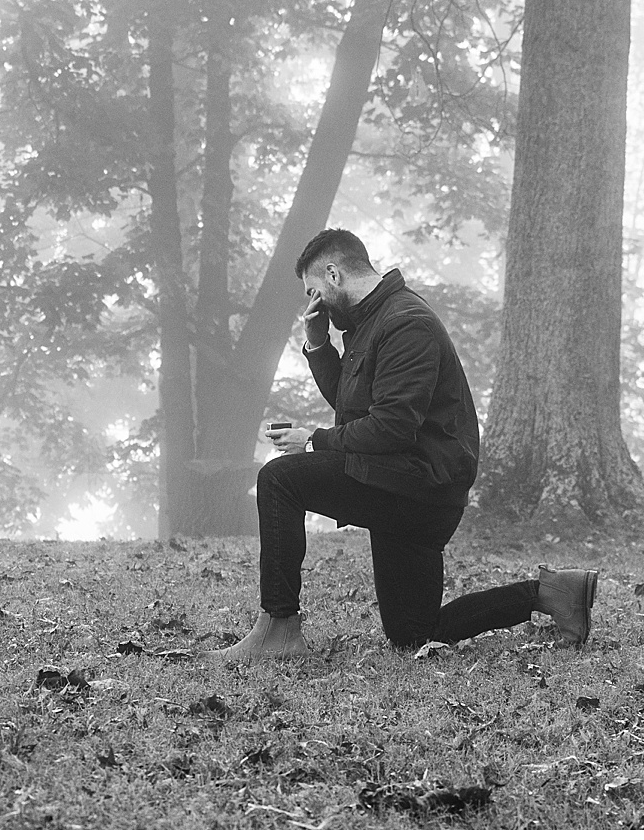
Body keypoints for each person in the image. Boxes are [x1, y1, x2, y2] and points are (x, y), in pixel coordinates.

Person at [211, 228, 598, 661]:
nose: (314, 303)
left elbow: (391, 428)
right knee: (414, 632)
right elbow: (354, 406)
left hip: (418, 489)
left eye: (313, 291)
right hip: (401, 484)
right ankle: (553, 593)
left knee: (280, 479)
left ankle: (278, 627)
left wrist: (314, 440)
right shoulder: (371, 323)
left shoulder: (405, 323)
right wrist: (318, 344)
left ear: (334, 275)